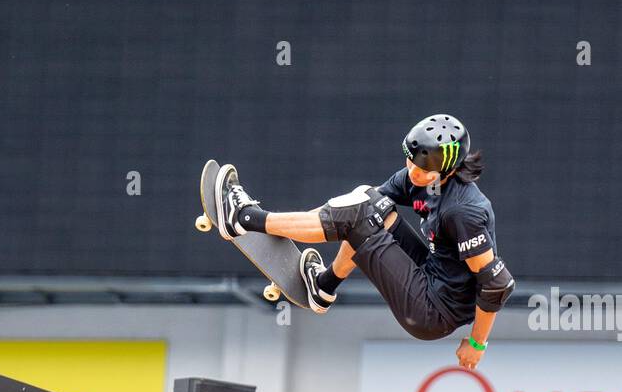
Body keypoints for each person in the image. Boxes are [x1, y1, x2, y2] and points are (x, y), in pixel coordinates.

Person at [214, 114, 514, 371]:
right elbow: (353, 208)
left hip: (433, 313)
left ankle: (245, 219)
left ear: (447, 171)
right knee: (367, 199)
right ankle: (324, 286)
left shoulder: (464, 211)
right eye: (410, 163)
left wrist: (477, 343)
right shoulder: (420, 177)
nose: (413, 174)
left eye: (423, 172)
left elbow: (496, 283)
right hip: (432, 275)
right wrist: (309, 220)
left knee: (360, 218)